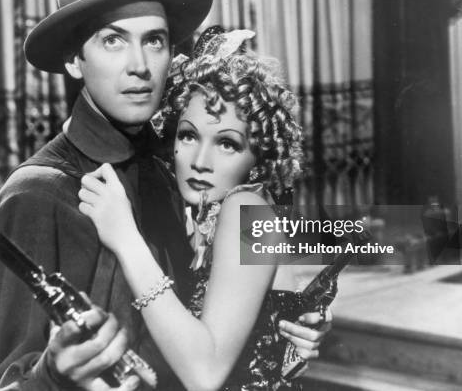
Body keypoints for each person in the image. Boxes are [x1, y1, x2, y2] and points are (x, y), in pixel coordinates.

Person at [0, 0, 213, 390]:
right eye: (113, 40)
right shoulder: (37, 194)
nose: (141, 66)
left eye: (155, 40)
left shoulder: (163, 171)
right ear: (74, 61)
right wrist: (52, 373)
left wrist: (279, 323)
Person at [78, 28, 332, 390]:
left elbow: (205, 375)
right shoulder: (211, 215)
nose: (200, 161)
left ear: (258, 158)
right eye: (188, 135)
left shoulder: (246, 209)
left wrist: (125, 238)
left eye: (227, 144)